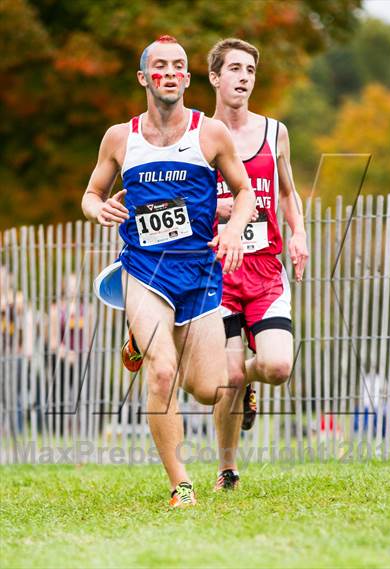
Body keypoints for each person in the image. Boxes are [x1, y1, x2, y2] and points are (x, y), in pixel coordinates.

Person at [81, 35, 255, 507]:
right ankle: (181, 483)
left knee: (206, 387)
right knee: (161, 374)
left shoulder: (209, 134)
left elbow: (245, 194)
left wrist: (235, 230)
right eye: (160, 65)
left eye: (179, 65)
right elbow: (91, 192)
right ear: (144, 77)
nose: (171, 72)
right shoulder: (121, 137)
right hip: (143, 270)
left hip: (198, 272)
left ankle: (143, 339)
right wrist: (97, 208)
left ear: (188, 77)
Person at [207, 38, 308, 490]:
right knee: (224, 375)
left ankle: (247, 382)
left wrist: (299, 232)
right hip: (219, 274)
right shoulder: (198, 137)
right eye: (233, 69)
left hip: (266, 271)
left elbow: (286, 191)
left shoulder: (274, 132)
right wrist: (218, 211)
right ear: (214, 77)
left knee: (277, 368)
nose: (243, 77)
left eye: (250, 70)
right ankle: (227, 469)